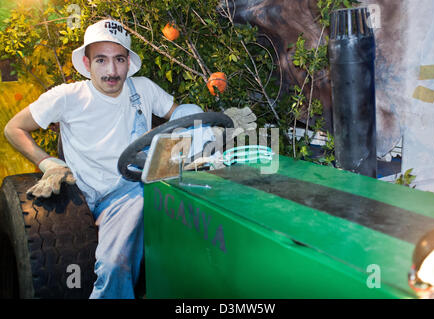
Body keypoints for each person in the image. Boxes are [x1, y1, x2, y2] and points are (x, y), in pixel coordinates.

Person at [3, 19, 255, 299]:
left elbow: (182, 114)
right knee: (115, 264)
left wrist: (204, 136)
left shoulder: (143, 89)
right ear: (87, 64)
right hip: (89, 196)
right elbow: (13, 128)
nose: (111, 71)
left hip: (134, 187)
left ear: (128, 62)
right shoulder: (68, 97)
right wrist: (48, 162)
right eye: (101, 60)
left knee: (190, 117)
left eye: (119, 59)